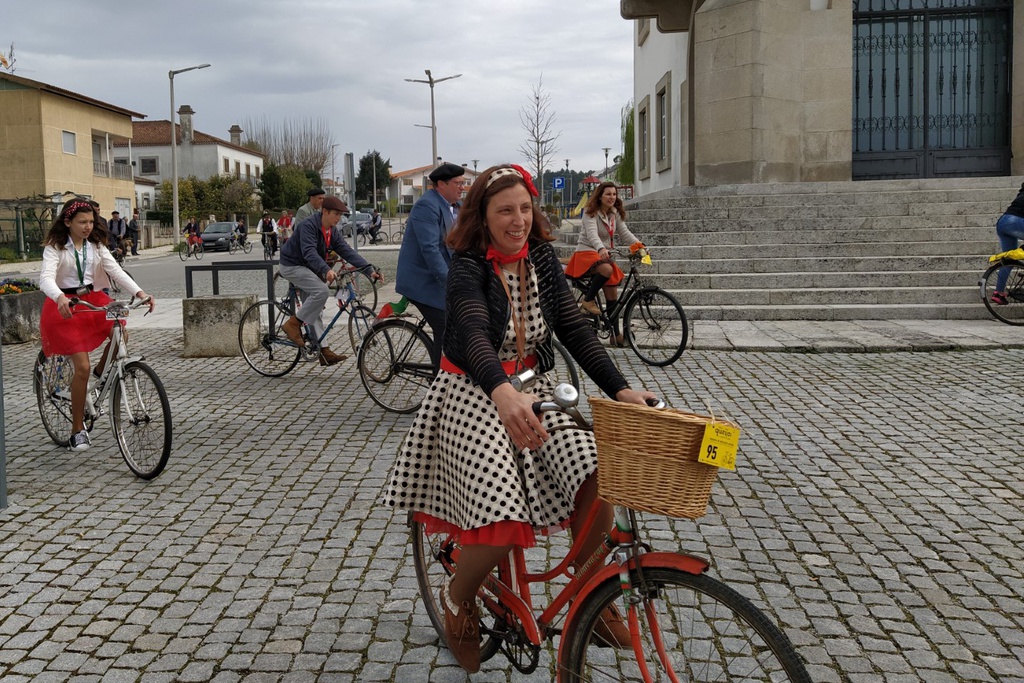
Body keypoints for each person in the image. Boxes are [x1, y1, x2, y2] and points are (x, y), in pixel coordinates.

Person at [384, 164, 657, 673]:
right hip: (471, 390)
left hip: (529, 388)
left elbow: (574, 326)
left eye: (525, 209)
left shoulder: (540, 257)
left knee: (600, 470)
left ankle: (589, 588)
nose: (518, 220)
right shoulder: (467, 263)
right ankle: (457, 598)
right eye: (505, 210)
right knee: (501, 515)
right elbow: (468, 330)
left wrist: (620, 390)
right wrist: (502, 390)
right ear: (483, 218)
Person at [39, 199, 155, 452]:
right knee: (81, 365)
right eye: (82, 222)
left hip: (92, 300)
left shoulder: (96, 245)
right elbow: (45, 278)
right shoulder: (55, 247)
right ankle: (77, 430)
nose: (88, 227)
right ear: (68, 222)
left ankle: (98, 378)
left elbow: (115, 271)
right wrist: (59, 297)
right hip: (66, 306)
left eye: (91, 221)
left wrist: (140, 293)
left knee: (120, 332)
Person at [278, 195, 384, 366]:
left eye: (341, 215)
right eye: (335, 214)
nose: (338, 218)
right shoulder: (308, 226)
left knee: (315, 308)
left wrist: (369, 269)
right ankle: (292, 324)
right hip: (292, 265)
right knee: (321, 291)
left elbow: (345, 250)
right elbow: (309, 252)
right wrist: (326, 269)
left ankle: (323, 351)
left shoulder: (332, 230)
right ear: (324, 211)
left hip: (308, 268)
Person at [395, 162, 465, 371]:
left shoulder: (457, 207)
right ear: (441, 184)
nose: (462, 187)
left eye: (463, 183)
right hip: (421, 280)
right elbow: (430, 249)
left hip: (440, 277)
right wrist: (450, 281)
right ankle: (439, 381)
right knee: (445, 326)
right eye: (458, 183)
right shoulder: (427, 206)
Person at [564, 181, 643, 345]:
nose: (611, 197)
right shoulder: (590, 212)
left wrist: (640, 246)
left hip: (603, 255)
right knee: (607, 269)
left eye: (614, 194)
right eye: (608, 194)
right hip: (586, 252)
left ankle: (616, 336)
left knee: (612, 294)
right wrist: (600, 249)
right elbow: (592, 235)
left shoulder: (614, 213)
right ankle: (587, 300)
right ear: (600, 196)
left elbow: (625, 232)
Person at [991, 181, 1024, 305]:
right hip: (1014, 222)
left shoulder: (1021, 194)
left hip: (1003, 223)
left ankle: (998, 293)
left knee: (1009, 260)